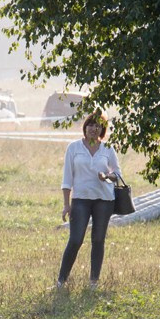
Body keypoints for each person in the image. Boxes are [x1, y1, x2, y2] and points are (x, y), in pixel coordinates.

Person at [57, 112, 121, 287]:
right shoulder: (74, 148)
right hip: (81, 199)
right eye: (91, 125)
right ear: (85, 127)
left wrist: (107, 176)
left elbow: (117, 174)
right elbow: (67, 178)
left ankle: (94, 281)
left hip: (104, 199)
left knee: (98, 239)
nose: (94, 129)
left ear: (102, 130)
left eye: (98, 126)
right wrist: (66, 204)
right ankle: (61, 280)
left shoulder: (108, 149)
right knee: (76, 239)